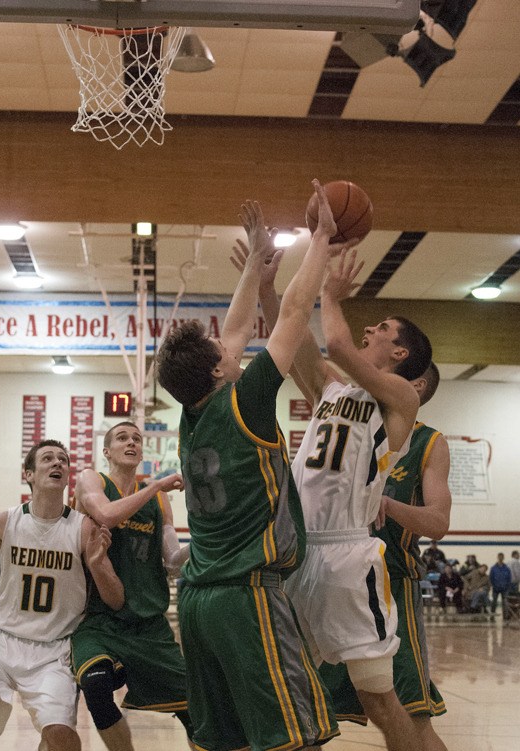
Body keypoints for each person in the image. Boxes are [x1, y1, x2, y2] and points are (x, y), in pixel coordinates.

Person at [156, 183, 342, 751]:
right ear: (218, 372)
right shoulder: (248, 401)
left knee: (223, 741)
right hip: (246, 597)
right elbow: (293, 312)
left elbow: (235, 329)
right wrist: (321, 238)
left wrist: (254, 261)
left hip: (196, 602)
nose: (231, 346)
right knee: (295, 737)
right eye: (222, 353)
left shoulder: (191, 415)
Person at [247, 224, 431, 750]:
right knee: (289, 692)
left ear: (400, 354)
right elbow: (295, 337)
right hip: (298, 551)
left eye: (383, 328)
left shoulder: (400, 398)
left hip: (350, 558)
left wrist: (330, 294)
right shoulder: (330, 389)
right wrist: (267, 287)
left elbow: (338, 344)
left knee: (379, 700)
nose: (372, 328)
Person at [0, 439, 124, 751]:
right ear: (28, 474)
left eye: (63, 459)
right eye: (48, 458)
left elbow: (115, 599)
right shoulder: (4, 521)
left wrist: (97, 564)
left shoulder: (84, 528)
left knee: (61, 736)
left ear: (67, 476)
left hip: (54, 648)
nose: (57, 463)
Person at [318, 363, 451, 751]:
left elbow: (438, 523)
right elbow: (308, 361)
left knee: (412, 718)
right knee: (303, 711)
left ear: (416, 385)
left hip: (392, 585)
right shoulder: (350, 425)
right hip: (335, 581)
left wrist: (388, 504)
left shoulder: (429, 442)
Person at [71, 420, 193, 751]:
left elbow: (172, 560)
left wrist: (207, 540)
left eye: (137, 439)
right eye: (122, 438)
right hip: (99, 621)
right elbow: (106, 514)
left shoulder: (159, 501)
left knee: (196, 710)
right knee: (96, 688)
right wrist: (156, 486)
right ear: (106, 450)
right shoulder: (92, 479)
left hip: (149, 626)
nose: (131, 443)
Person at [489, 552, 512, 620]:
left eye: (502, 557)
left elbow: (509, 578)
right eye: (499, 557)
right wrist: (492, 585)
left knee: (505, 603)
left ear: (503, 558)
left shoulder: (507, 568)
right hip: (495, 588)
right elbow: (490, 578)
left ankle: (505, 617)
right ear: (497, 557)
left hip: (505, 588)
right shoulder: (493, 568)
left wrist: (508, 587)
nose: (500, 558)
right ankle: (492, 616)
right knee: (494, 602)